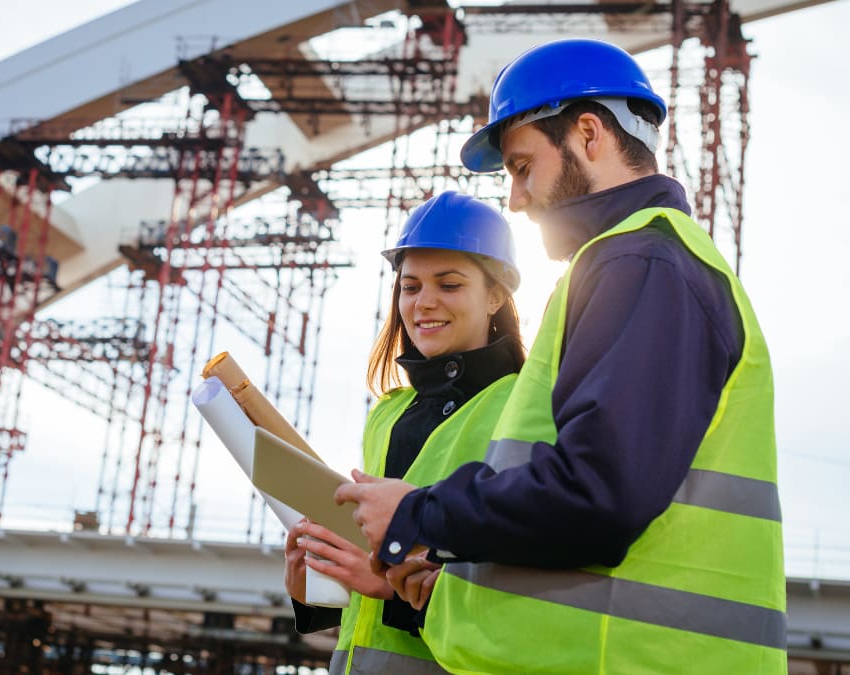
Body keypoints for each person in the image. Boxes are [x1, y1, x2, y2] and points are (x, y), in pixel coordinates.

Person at [335, 38, 785, 674]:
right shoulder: (631, 262)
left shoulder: (641, 261)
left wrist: (418, 512)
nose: (515, 199)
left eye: (522, 167)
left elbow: (597, 495)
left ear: (589, 134)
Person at [283, 191, 525, 675]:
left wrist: (390, 586)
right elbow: (368, 580)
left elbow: (524, 586)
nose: (423, 303)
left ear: (496, 295)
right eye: (410, 286)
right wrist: (320, 587)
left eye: (449, 284)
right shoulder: (388, 413)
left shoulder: (523, 407)